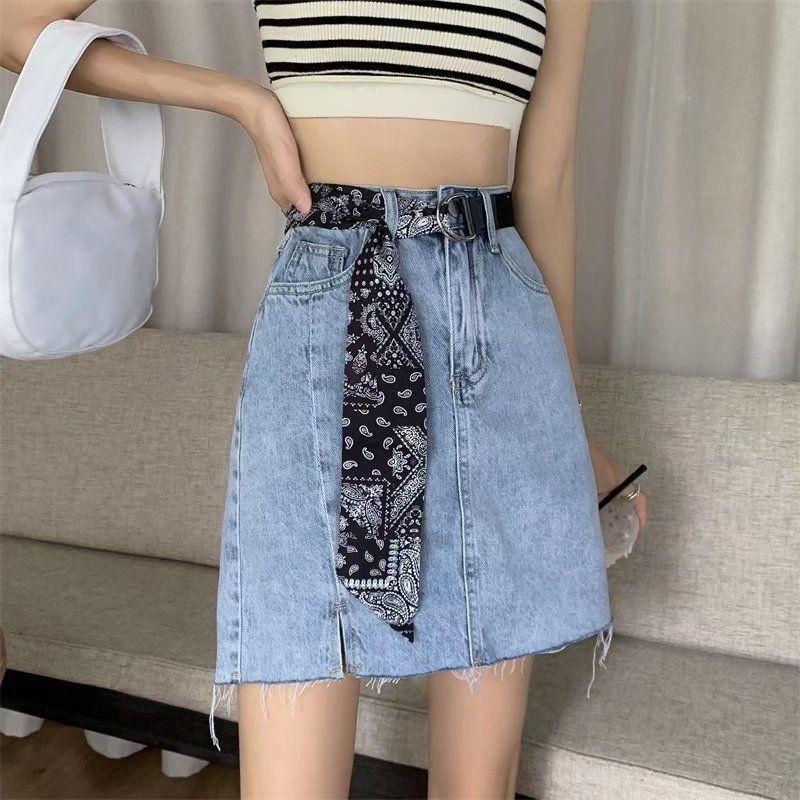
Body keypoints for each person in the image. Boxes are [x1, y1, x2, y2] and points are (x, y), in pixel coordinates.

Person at [1, 1, 648, 797]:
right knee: (290, 757)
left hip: (499, 330)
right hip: (327, 311)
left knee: (478, 784)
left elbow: (549, 181)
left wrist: (569, 430)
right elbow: (16, 27)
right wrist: (243, 102)